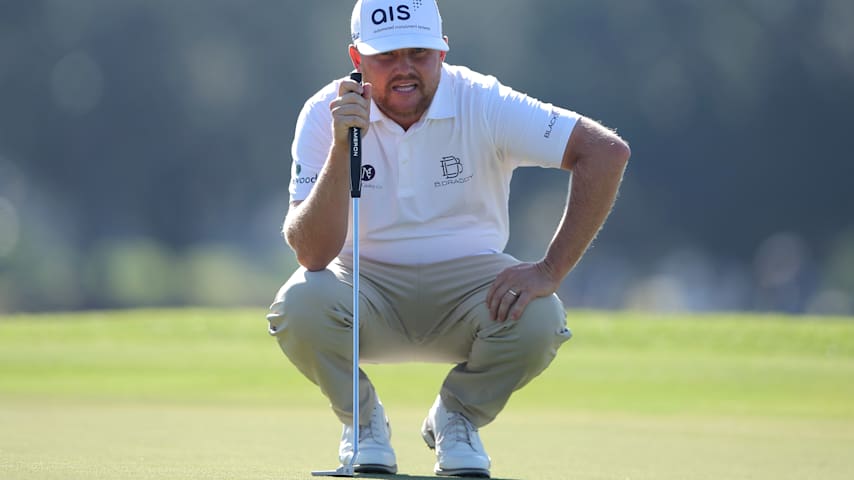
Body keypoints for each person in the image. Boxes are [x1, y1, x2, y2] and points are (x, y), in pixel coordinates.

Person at [267, 0, 630, 477]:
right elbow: (311, 251)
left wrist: (549, 270)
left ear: (442, 52)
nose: (404, 70)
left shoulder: (483, 101)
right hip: (363, 285)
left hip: (472, 289)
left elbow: (604, 152)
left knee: (541, 315)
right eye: (386, 56)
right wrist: (343, 146)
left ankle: (456, 418)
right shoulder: (324, 114)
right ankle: (364, 424)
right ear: (356, 60)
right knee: (298, 304)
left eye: (419, 53)